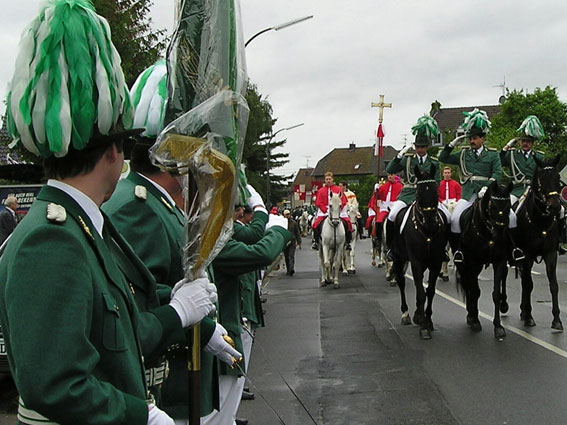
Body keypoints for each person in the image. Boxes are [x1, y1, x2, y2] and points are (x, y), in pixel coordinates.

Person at [0, 2, 217, 424]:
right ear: (115, 151)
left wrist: (177, 312)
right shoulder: (51, 240)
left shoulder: (80, 227)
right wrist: (141, 415)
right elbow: (58, 385)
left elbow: (118, 334)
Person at [102, 61, 239, 423]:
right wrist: (191, 321)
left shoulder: (159, 204)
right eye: (196, 144)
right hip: (166, 390)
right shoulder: (137, 208)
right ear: (175, 151)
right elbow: (137, 303)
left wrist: (206, 327)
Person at [205, 210, 291, 425]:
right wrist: (273, 223)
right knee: (219, 413)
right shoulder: (211, 230)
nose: (240, 210)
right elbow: (257, 247)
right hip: (223, 327)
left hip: (232, 319)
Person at [439, 108, 523, 263]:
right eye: (470, 138)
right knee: (455, 219)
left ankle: (514, 249)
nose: (472, 141)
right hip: (468, 193)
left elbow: (497, 173)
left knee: (511, 218)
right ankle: (458, 251)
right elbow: (443, 157)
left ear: (483, 138)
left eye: (475, 138)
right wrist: (451, 144)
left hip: (488, 193)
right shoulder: (463, 154)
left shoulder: (492, 154)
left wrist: (489, 187)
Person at [501, 115, 566, 253]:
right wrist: (507, 146)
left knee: (560, 210)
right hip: (517, 190)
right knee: (508, 213)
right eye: (523, 141)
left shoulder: (540, 157)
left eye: (528, 142)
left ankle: (558, 241)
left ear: (533, 143)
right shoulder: (512, 155)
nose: (525, 144)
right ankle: (511, 245)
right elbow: (499, 160)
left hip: (535, 191)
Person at [385, 115, 447, 258]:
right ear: (415, 147)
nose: (420, 150)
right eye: (418, 147)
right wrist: (399, 156)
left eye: (423, 147)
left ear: (427, 147)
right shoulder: (407, 160)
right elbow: (390, 169)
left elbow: (437, 182)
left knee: (448, 218)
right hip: (407, 193)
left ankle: (442, 249)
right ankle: (391, 248)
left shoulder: (434, 163)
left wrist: (431, 196)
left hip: (427, 197)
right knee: (392, 216)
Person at [311, 172, 353, 251]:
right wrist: (326, 209)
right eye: (327, 179)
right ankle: (316, 242)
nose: (328, 181)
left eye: (329, 179)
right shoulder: (321, 191)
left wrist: (338, 209)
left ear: (332, 179)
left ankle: (348, 242)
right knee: (315, 224)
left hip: (336, 210)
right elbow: (318, 202)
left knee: (348, 223)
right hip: (324, 211)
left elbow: (343, 201)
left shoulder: (338, 189)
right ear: (325, 180)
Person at [283, 209, 302, 275]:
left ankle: (291, 269)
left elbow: (297, 233)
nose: (288, 216)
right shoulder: (282, 224)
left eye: (288, 214)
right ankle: (288, 269)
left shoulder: (294, 223)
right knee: (286, 256)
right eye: (286, 215)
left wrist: (299, 242)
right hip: (285, 242)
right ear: (284, 215)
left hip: (292, 241)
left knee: (291, 255)